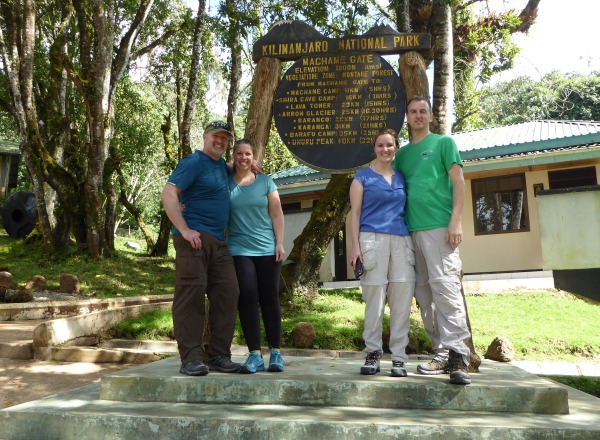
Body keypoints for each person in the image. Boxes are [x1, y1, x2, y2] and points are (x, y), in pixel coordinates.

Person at [393, 96, 472, 385]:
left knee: (446, 289)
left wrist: (456, 220)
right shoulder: (401, 155)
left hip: (440, 228)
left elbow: (459, 181)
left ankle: (458, 355)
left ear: (429, 115)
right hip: (409, 232)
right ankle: (441, 352)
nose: (417, 116)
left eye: (422, 111)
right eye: (412, 111)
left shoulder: (443, 143)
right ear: (407, 116)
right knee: (424, 295)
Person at [161, 120, 241, 376]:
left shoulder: (220, 166)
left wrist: (245, 164)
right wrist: (184, 229)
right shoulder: (193, 162)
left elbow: (231, 167)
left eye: (225, 139)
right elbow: (169, 192)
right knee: (190, 298)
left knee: (229, 292)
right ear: (205, 137)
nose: (220, 141)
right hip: (193, 241)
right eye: (215, 137)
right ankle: (191, 359)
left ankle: (219, 355)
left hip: (218, 242)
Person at [349, 128, 415, 377]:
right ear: (374, 149)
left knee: (401, 300)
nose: (385, 149)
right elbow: (354, 214)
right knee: (374, 301)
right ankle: (372, 353)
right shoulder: (362, 177)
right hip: (371, 240)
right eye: (380, 145)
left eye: (389, 145)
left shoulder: (401, 178)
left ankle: (399, 357)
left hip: (401, 241)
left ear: (396, 147)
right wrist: (354, 245)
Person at [227, 139, 286, 374]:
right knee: (248, 297)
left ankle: (276, 353)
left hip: (268, 249)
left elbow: (277, 214)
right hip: (239, 249)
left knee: (270, 299)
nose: (244, 158)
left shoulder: (266, 182)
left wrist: (280, 243)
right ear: (233, 156)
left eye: (248, 153)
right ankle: (254, 354)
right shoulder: (226, 183)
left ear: (254, 156)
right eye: (239, 153)